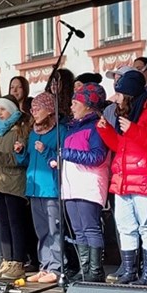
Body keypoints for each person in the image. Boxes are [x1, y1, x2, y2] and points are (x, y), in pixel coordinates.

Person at [98, 70, 147, 286]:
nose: (116, 98)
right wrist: (106, 132)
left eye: (119, 94)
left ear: (129, 94)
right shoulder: (130, 115)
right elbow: (122, 147)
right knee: (125, 226)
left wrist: (133, 130)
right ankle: (128, 270)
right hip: (125, 178)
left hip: (145, 179)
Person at [56, 84, 110, 282]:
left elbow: (97, 156)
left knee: (90, 227)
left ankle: (95, 271)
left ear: (88, 105)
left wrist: (68, 154)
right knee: (78, 229)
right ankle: (85, 269)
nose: (71, 106)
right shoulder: (71, 128)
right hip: (71, 186)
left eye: (75, 102)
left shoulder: (96, 126)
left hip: (89, 184)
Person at [16, 92, 64, 283]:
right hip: (34, 189)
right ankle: (45, 265)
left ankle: (57, 267)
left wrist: (46, 151)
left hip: (51, 188)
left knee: (55, 229)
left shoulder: (60, 131)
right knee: (42, 230)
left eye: (38, 108)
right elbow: (27, 160)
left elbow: (61, 158)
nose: (34, 112)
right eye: (32, 109)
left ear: (50, 110)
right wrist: (20, 153)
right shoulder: (33, 132)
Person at [0, 95, 31, 280]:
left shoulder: (20, 130)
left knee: (15, 223)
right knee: (3, 224)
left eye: (2, 109)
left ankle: (18, 261)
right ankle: (7, 259)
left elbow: (17, 159)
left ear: (11, 110)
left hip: (13, 183)